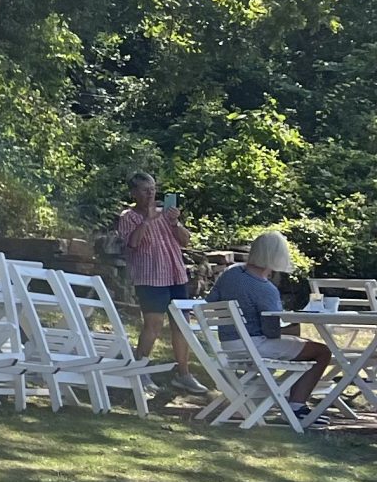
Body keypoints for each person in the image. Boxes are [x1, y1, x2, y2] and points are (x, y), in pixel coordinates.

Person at [206, 231, 331, 416]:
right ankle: (296, 406)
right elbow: (272, 332)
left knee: (303, 344)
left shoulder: (230, 274)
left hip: (228, 345)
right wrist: (292, 327)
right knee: (322, 351)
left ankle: (291, 399)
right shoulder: (265, 288)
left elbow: (211, 303)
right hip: (254, 346)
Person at [115, 172, 203, 394]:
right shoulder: (129, 217)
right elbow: (132, 244)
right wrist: (147, 220)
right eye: (145, 190)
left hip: (175, 275)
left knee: (181, 325)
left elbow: (185, 240)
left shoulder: (166, 214)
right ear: (134, 193)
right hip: (150, 277)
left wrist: (174, 223)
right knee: (153, 325)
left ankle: (183, 375)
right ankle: (140, 371)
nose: (151, 194)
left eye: (153, 189)